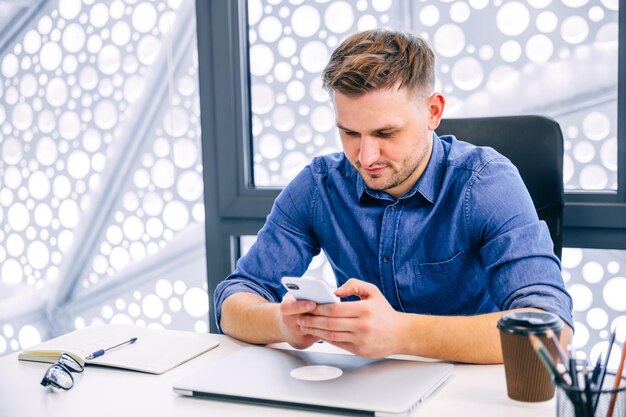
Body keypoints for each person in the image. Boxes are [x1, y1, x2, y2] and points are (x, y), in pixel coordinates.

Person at [214, 29, 573, 363]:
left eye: (385, 133)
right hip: (364, 390)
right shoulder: (318, 186)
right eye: (350, 133)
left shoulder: (486, 184)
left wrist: (401, 333)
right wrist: (282, 322)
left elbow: (550, 332)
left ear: (432, 112)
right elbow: (233, 299)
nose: (365, 157)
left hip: (469, 392)